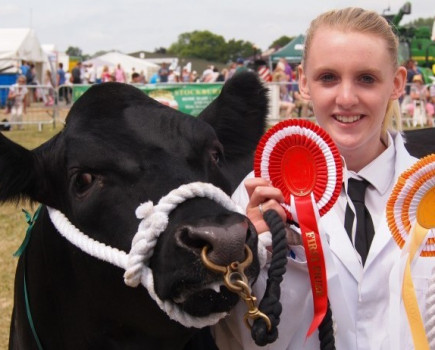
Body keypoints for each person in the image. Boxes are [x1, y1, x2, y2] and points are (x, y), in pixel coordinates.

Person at [213, 7, 432, 350]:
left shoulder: (427, 193)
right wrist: (244, 257)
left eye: (367, 79)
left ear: (398, 83)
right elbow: (236, 337)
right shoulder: (257, 195)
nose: (346, 98)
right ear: (302, 82)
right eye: (328, 77)